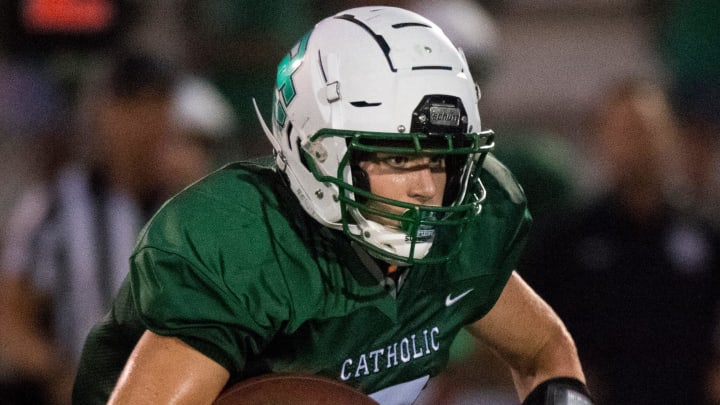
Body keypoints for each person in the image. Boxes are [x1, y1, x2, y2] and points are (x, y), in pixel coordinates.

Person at [72, 7, 591, 405]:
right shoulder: (252, 248)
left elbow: (545, 352)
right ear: (314, 149)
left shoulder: (462, 232)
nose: (427, 189)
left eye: (442, 159)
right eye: (396, 159)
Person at [520, 77, 720, 405]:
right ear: (601, 140)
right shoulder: (566, 240)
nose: (637, 143)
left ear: (670, 135)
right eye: (624, 131)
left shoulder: (706, 235)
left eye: (646, 129)